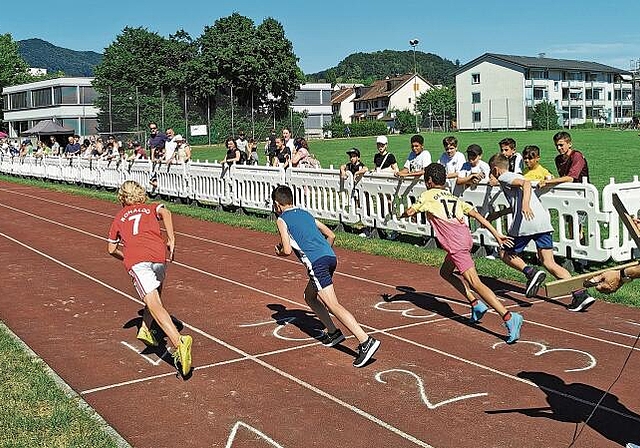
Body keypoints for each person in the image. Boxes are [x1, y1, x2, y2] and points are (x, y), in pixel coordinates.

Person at [399, 163, 523, 343]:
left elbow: (410, 211)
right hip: (463, 239)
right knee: (445, 272)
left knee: (475, 283)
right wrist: (497, 235)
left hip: (456, 244)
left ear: (429, 181)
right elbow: (476, 215)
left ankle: (509, 317)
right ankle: (475, 304)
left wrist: (402, 214)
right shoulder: (452, 196)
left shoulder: (427, 196)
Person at [272, 185, 381, 367]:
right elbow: (331, 234)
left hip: (317, 263)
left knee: (333, 304)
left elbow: (287, 249)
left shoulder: (282, 220)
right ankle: (333, 332)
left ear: (277, 205)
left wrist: (279, 252)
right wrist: (323, 252)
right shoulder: (305, 213)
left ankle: (365, 340)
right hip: (330, 257)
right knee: (310, 296)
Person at [489, 153, 596, 311]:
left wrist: (525, 205)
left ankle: (530, 272)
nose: (491, 176)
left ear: (496, 170)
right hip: (542, 222)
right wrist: (499, 214)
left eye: (491, 172)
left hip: (525, 224)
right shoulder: (512, 176)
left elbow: (525, 184)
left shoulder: (505, 177)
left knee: (504, 253)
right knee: (549, 262)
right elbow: (517, 202)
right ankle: (580, 294)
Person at [107, 180, 192, 377]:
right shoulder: (150, 208)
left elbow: (111, 249)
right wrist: (171, 239)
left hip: (138, 260)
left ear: (122, 198)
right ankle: (146, 328)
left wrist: (126, 256)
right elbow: (166, 212)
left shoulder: (119, 217)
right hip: (159, 256)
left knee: (153, 302)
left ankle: (179, 342)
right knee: (155, 293)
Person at [539, 131, 590, 246]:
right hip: (568, 194)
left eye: (561, 145)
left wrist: (549, 182)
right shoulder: (558, 159)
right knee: (570, 223)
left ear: (569, 144)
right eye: (557, 145)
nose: (559, 148)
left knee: (577, 224)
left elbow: (571, 178)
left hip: (581, 194)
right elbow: (563, 178)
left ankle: (581, 254)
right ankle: (576, 250)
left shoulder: (577, 156)